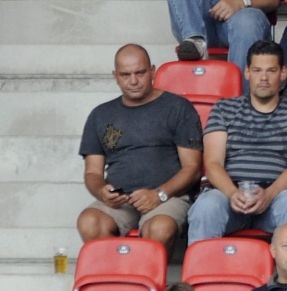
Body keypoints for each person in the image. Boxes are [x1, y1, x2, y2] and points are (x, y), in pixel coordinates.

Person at [186, 41, 287, 243]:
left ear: (283, 73)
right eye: (257, 70)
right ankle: (201, 273)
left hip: (278, 196)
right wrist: (232, 193)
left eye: (271, 71)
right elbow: (213, 164)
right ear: (247, 72)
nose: (263, 78)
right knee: (206, 206)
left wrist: (269, 194)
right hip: (229, 194)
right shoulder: (224, 108)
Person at [76, 44, 203, 246]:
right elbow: (92, 173)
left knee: (160, 228)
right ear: (115, 76)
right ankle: (119, 277)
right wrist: (102, 192)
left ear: (152, 71)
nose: (133, 81)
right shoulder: (100, 114)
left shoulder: (178, 108)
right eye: (125, 75)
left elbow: (193, 168)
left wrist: (159, 194)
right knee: (89, 222)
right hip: (121, 201)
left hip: (167, 197)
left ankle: (148, 278)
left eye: (140, 73)